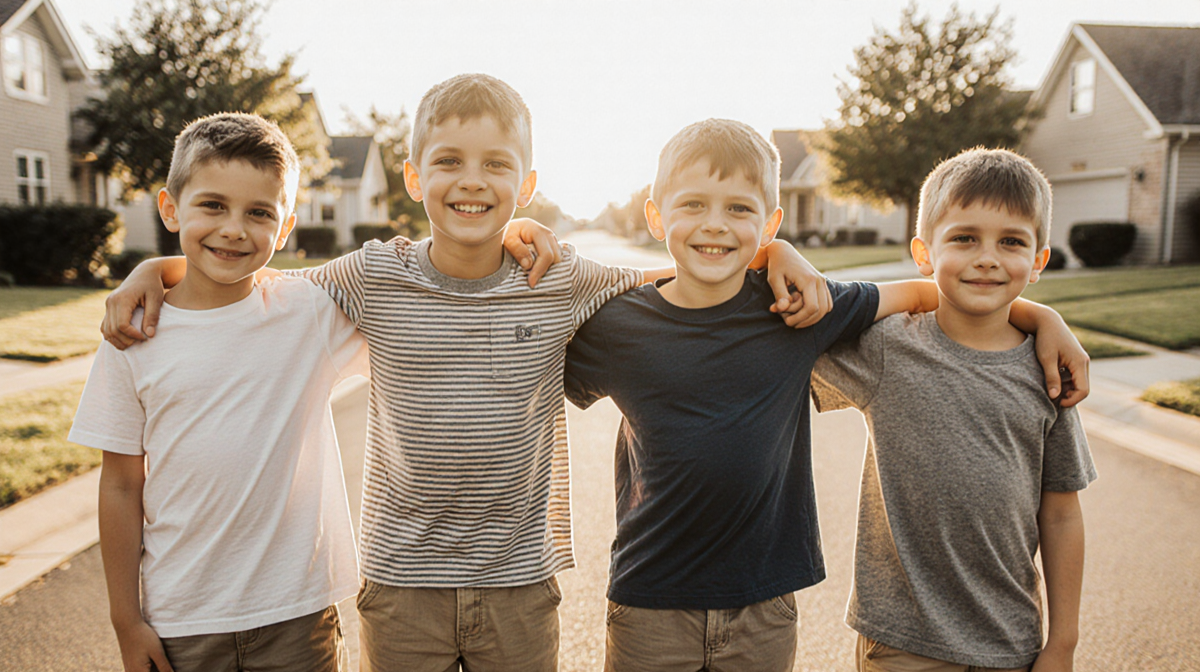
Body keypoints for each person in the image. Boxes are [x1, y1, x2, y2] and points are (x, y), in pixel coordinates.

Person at [100, 75, 825, 672]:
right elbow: (253, 278)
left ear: (527, 182)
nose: (470, 181)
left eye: (495, 166)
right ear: (414, 176)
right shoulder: (373, 277)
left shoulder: (563, 278)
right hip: (400, 580)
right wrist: (156, 269)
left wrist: (774, 252)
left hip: (517, 580)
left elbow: (689, 268)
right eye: (447, 161)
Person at [562, 122, 1090, 672]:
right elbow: (537, 343)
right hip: (651, 595)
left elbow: (930, 292)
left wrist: (1041, 316)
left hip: (767, 602)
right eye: (693, 204)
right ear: (656, 216)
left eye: (739, 209)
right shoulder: (621, 325)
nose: (715, 224)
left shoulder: (799, 311)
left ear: (768, 223)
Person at [70, 112, 368, 672]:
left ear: (284, 230)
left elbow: (423, 290)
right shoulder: (132, 333)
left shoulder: (308, 312)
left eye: (259, 213)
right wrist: (125, 621)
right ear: (169, 208)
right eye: (213, 205)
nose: (234, 228)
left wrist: (515, 233)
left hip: (296, 615)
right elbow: (119, 486)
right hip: (182, 619)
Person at [811, 147, 1096, 672]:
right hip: (901, 641)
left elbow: (1060, 514)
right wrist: (780, 255)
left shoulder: (1049, 368)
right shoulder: (885, 349)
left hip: (1011, 640)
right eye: (964, 238)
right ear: (923, 252)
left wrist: (1064, 644)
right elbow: (796, 328)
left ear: (1038, 261)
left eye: (1011, 242)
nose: (987, 257)